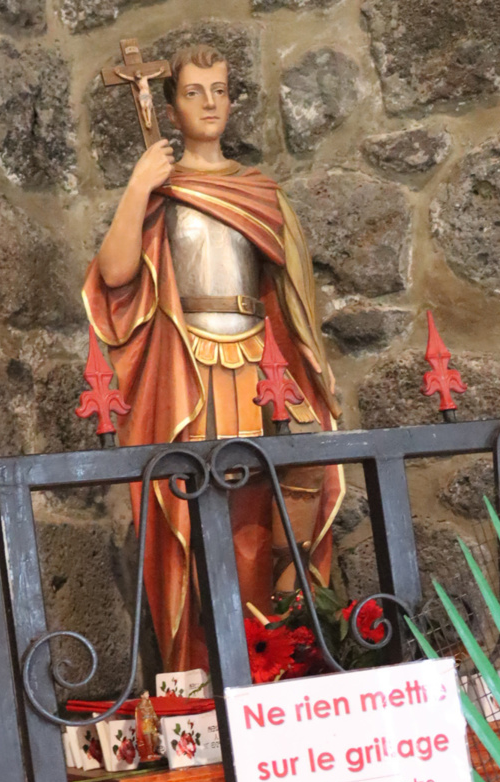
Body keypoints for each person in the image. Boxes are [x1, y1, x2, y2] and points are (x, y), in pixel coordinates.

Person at [84, 43, 344, 673]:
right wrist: (140, 185)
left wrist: (308, 366)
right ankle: (203, 671)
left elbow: (293, 299)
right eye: (194, 92)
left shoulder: (260, 192)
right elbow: (116, 273)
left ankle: (279, 655)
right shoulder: (163, 190)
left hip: (261, 369)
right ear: (170, 106)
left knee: (274, 505)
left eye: (220, 91)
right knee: (199, 521)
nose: (209, 103)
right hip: (189, 371)